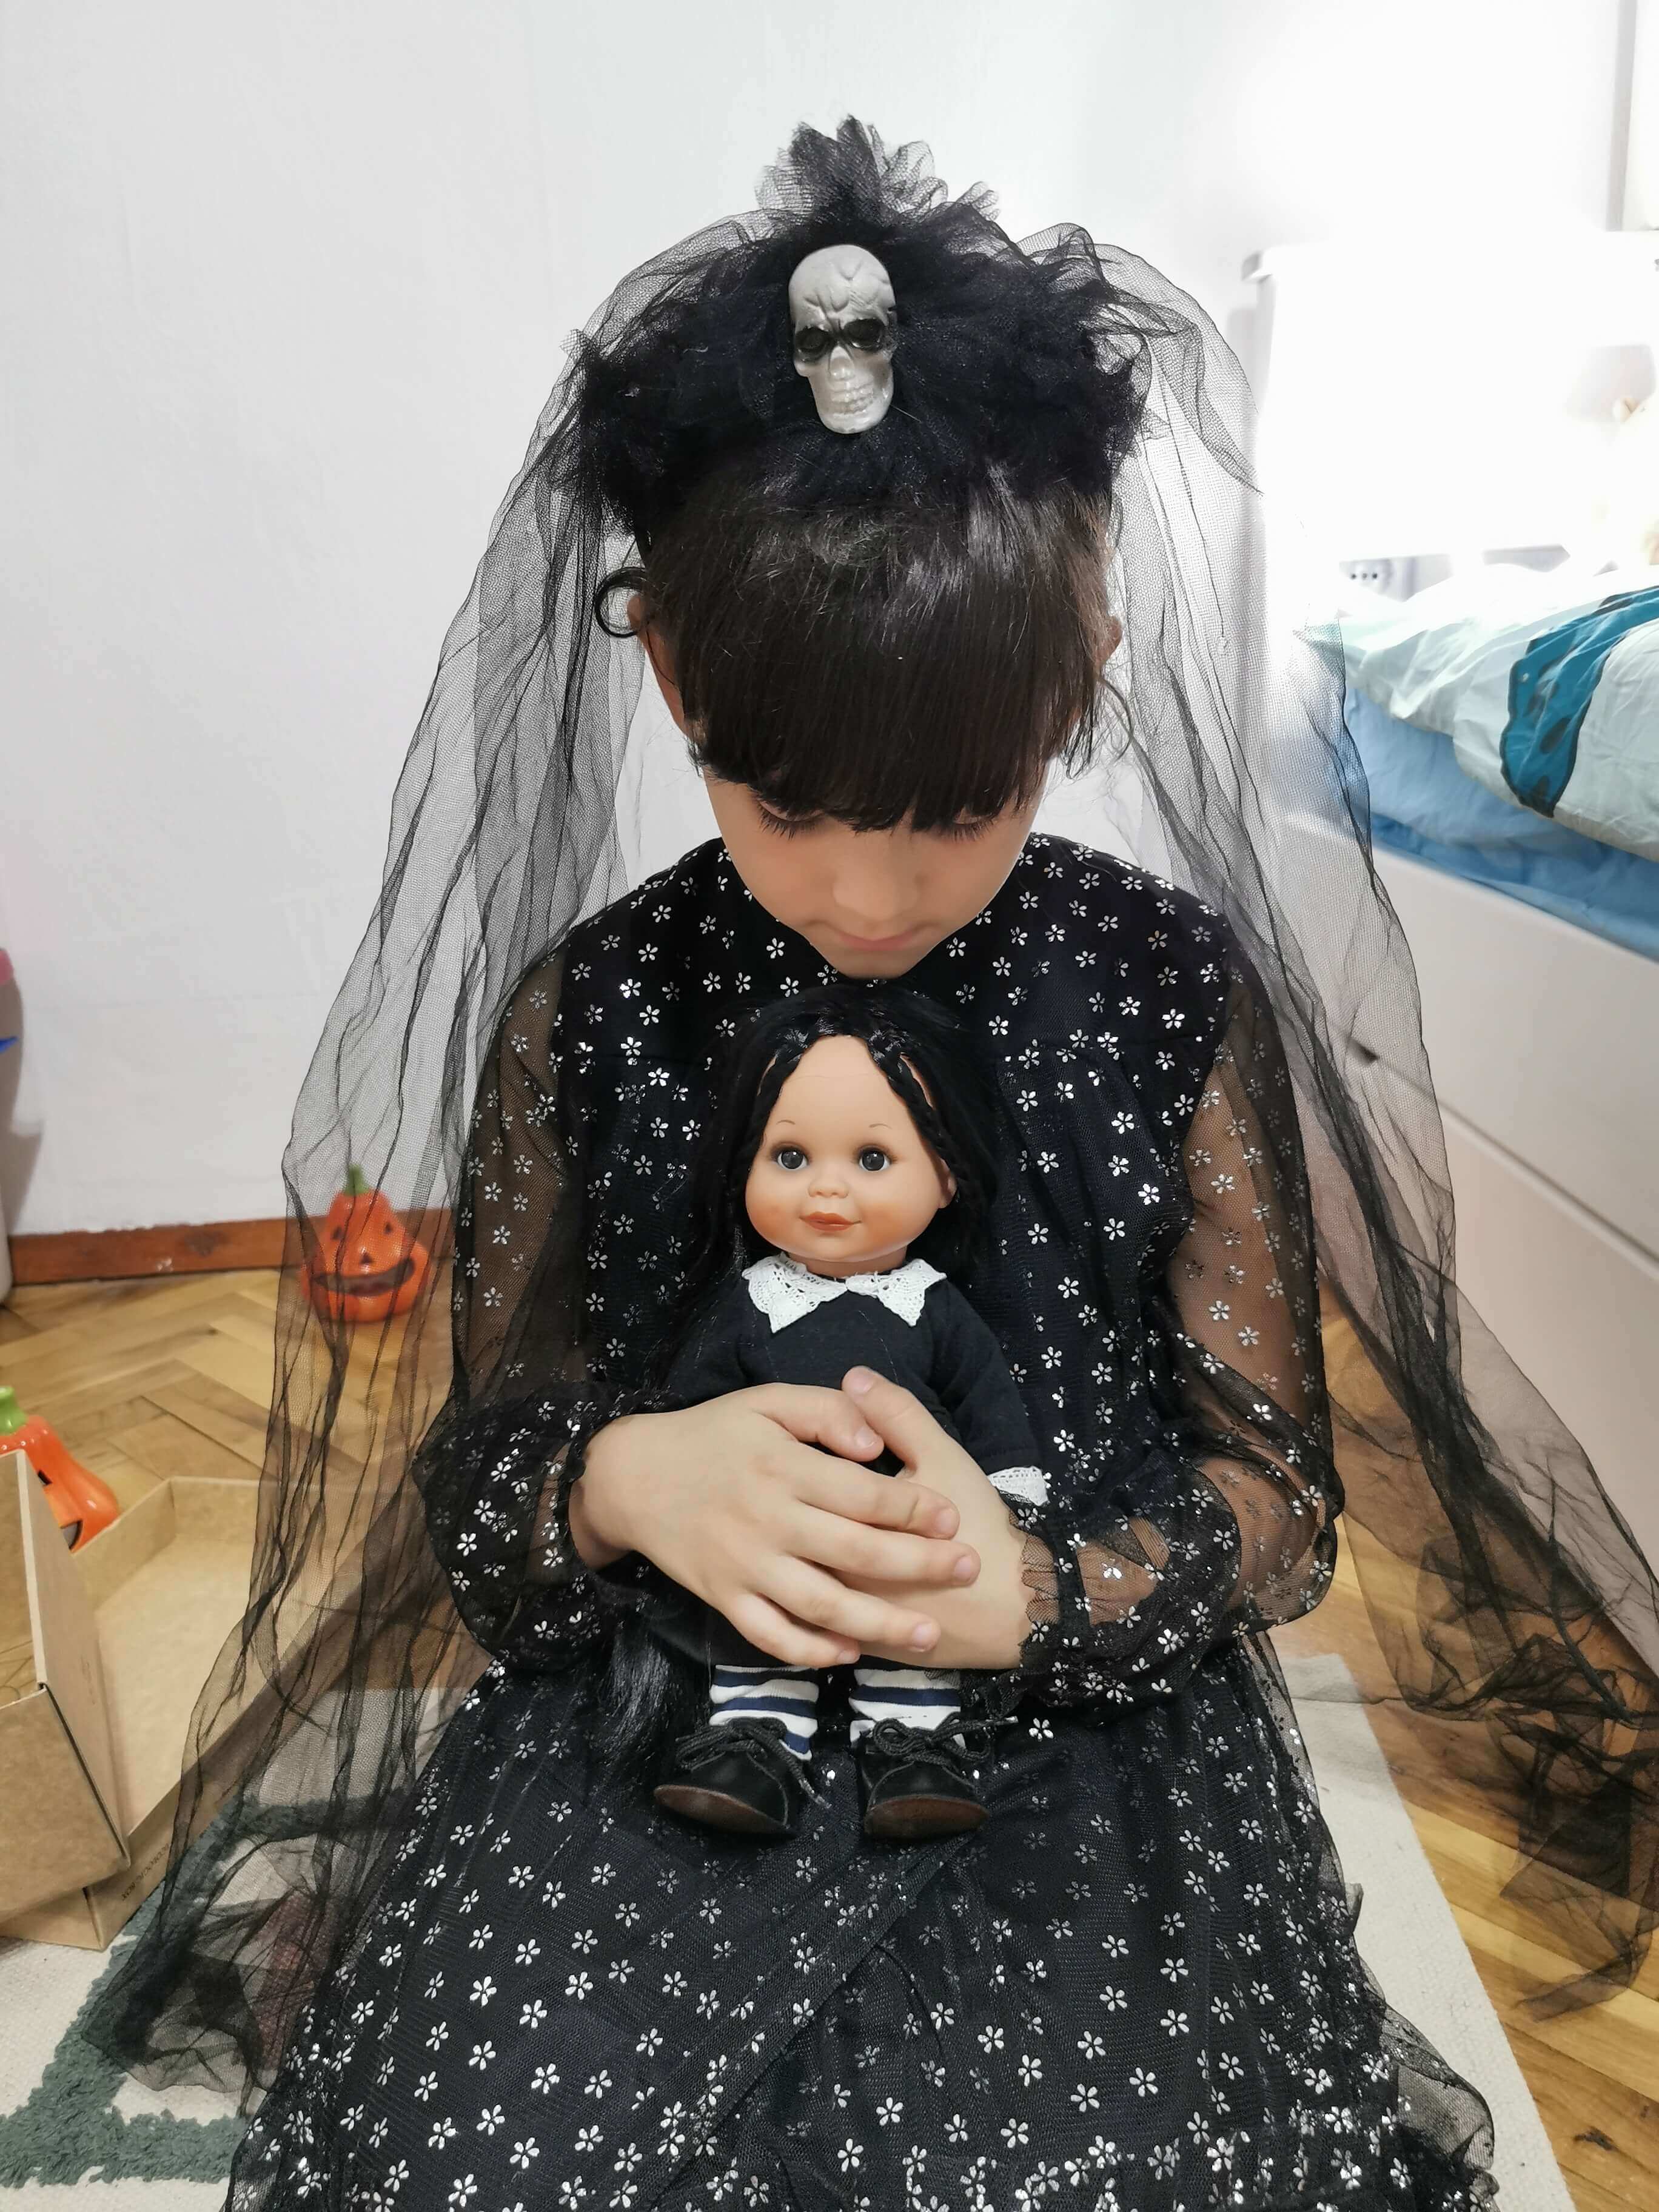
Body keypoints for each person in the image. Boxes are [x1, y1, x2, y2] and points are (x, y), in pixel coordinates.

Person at [85, 118, 1659, 2212]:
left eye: (956, 808)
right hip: (666, 1684)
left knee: (1109, 2165)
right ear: (668, 674)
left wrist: (1036, 1590)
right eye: (782, 802)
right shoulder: (597, 1007)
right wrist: (621, 1481)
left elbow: (1277, 1496)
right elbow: (485, 1481)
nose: (862, 891)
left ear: (1084, 663)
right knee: (469, 2148)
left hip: (1065, 1691)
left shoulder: (1163, 993)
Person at [645, 986, 1051, 1842]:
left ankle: (912, 1747)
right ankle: (755, 1744)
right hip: (775, 1526)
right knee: (761, 1627)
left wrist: (1014, 1501)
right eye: (790, 1156)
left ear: (946, 1177)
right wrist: (681, 1467)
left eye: (872, 1159)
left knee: (918, 1627)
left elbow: (990, 1404)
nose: (826, 1188)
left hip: (908, 1531)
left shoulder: (934, 1307)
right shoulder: (752, 1303)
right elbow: (686, 1416)